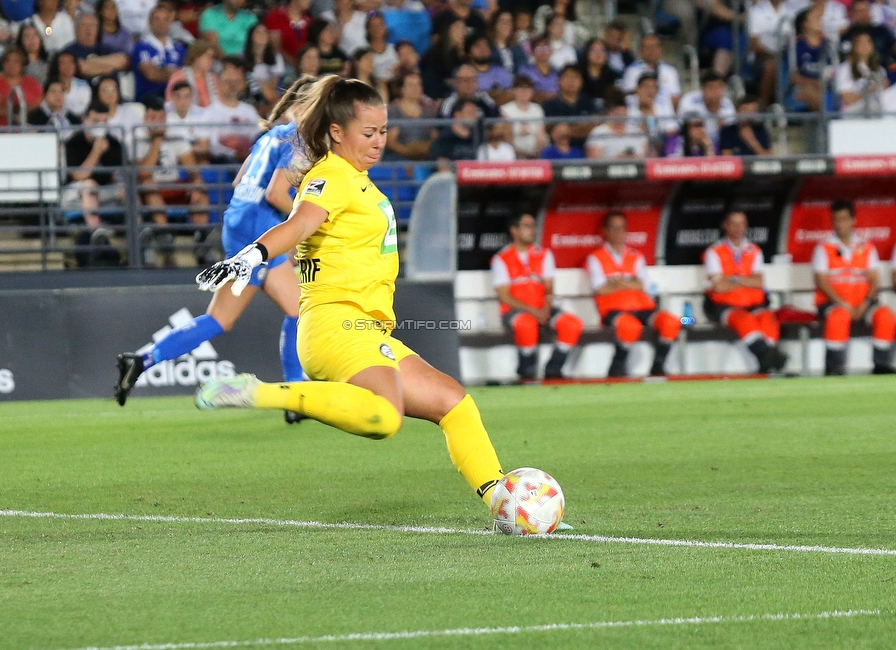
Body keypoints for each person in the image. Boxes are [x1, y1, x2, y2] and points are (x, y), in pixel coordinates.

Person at [194, 76, 510, 511]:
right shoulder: (334, 177)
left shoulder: (356, 179)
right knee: (384, 415)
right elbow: (300, 224)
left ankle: (505, 502)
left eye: (383, 131)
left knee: (454, 403)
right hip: (335, 325)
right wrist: (252, 256)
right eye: (368, 133)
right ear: (337, 132)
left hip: (366, 328)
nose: (379, 142)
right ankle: (261, 392)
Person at [116, 78, 316, 417]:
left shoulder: (271, 135)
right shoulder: (299, 140)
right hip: (258, 230)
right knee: (298, 311)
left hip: (238, 223)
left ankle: (142, 359)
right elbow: (276, 195)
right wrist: (309, 223)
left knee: (221, 318)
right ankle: (294, 397)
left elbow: (240, 181)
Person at [586, 211, 680, 377]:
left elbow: (643, 285)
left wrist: (616, 281)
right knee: (630, 327)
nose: (617, 233)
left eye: (621, 228)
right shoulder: (596, 257)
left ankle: (658, 366)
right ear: (605, 231)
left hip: (642, 306)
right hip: (613, 309)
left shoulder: (635, 255)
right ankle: (617, 367)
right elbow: (600, 288)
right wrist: (630, 282)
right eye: (613, 228)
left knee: (672, 322)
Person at [491, 213, 583, 380]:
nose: (532, 230)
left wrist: (546, 307)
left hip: (542, 308)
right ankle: (527, 372)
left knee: (572, 324)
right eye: (527, 226)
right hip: (515, 310)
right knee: (527, 324)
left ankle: (554, 370)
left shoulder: (543, 254)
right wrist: (532, 310)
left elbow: (549, 287)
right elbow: (504, 295)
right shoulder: (501, 258)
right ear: (514, 230)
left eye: (533, 226)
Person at [812, 199, 896, 375]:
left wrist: (865, 303)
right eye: (836, 219)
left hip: (863, 303)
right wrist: (844, 304)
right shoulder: (824, 247)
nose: (840, 224)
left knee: (886, 316)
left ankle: (881, 366)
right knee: (839, 317)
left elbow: (874, 280)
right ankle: (834, 368)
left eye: (843, 219)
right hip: (833, 303)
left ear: (853, 220)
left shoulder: (866, 247)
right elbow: (822, 281)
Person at [703, 210, 788, 374]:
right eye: (733, 223)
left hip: (753, 303)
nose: (738, 228)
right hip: (724, 306)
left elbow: (758, 282)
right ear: (725, 226)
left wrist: (732, 279)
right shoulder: (714, 251)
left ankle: (767, 363)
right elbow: (719, 287)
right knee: (744, 319)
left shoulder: (754, 250)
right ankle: (770, 359)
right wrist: (745, 279)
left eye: (741, 223)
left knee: (768, 318)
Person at [134, 94, 210, 263]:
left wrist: (196, 183)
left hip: (173, 184)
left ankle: (201, 239)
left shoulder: (176, 136)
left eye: (161, 117)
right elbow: (143, 173)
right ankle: (164, 234)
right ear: (145, 118)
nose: (157, 122)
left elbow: (193, 170)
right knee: (148, 185)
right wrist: (156, 142)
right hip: (151, 188)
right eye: (153, 118)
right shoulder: (136, 138)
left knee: (200, 191)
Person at [62, 99, 125, 231]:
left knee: (127, 188)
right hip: (76, 192)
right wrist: (96, 151)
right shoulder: (74, 143)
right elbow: (78, 176)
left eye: (104, 121)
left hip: (104, 190)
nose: (100, 126)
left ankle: (138, 230)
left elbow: (117, 175)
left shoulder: (114, 143)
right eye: (96, 121)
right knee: (89, 185)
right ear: (85, 120)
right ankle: (96, 231)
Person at [203, 62, 261, 163]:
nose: (232, 85)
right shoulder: (210, 112)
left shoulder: (249, 110)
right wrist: (234, 154)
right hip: (223, 161)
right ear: (219, 84)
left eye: (236, 82)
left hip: (248, 158)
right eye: (228, 81)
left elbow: (256, 137)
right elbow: (212, 145)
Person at [132, 5, 186, 100]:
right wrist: (176, 73)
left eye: (165, 19)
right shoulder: (141, 46)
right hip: (150, 96)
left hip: (176, 95)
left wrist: (162, 70)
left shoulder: (179, 48)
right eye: (157, 19)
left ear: (170, 22)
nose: (161, 23)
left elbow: (187, 73)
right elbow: (152, 74)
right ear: (150, 22)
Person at [748, 0, 793, 108]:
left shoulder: (791, 12)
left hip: (786, 56)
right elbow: (754, 45)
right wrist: (774, 55)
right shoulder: (756, 12)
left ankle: (788, 106)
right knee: (771, 65)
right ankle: (765, 105)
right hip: (762, 57)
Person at [63, 11, 130, 82]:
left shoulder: (106, 48)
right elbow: (80, 67)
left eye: (92, 26)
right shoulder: (69, 51)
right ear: (76, 29)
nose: (88, 30)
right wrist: (108, 67)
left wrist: (90, 63)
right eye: (84, 25)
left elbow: (123, 61)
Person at [677, 71, 736, 151]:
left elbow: (728, 132)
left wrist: (716, 110)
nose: (715, 91)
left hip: (717, 143)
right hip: (693, 142)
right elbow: (685, 126)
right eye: (711, 88)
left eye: (719, 87)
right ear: (703, 89)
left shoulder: (727, 104)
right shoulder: (690, 100)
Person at [384, 71, 436, 161]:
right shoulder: (393, 111)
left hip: (424, 157)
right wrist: (409, 153)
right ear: (402, 89)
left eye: (418, 85)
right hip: (398, 157)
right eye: (411, 85)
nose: (415, 88)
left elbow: (434, 136)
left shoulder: (428, 112)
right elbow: (391, 141)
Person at [620, 34, 682, 108]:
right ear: (640, 50)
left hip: (666, 115)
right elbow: (629, 98)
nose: (651, 51)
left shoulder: (670, 71)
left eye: (654, 47)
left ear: (660, 49)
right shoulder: (632, 71)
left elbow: (675, 97)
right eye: (647, 47)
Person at [626, 72, 679, 157]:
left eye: (653, 87)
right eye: (646, 87)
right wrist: (645, 113)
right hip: (636, 147)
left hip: (660, 145)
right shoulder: (629, 107)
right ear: (637, 89)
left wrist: (651, 111)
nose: (650, 91)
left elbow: (672, 130)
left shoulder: (664, 106)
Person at [585, 90, 648, 160]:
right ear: (610, 113)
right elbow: (593, 159)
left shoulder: (636, 131)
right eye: (618, 114)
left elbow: (647, 155)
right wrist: (618, 158)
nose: (620, 117)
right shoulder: (599, 132)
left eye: (623, 114)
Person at [0, 45, 43, 124]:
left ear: (22, 64)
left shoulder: (33, 83)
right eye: (8, 61)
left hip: (30, 130)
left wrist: (10, 109)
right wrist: (21, 109)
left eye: (16, 61)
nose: (11, 64)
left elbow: (40, 106)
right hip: (1, 132)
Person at [500, 73, 545, 158]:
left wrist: (537, 152)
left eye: (528, 89)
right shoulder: (505, 110)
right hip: (515, 153)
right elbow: (507, 137)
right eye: (521, 89)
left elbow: (541, 135)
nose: (524, 92)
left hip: (535, 152)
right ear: (514, 90)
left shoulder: (537, 109)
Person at [792, 8, 829, 111]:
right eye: (816, 19)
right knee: (813, 93)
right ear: (805, 24)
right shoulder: (795, 46)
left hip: (827, 86)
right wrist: (814, 83)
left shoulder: (829, 45)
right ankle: (826, 125)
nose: (820, 22)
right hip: (802, 87)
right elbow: (792, 77)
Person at [164, 39, 219, 108]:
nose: (211, 60)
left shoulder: (213, 78)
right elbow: (170, 103)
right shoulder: (179, 77)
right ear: (196, 57)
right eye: (208, 56)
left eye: (213, 57)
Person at [244, 23, 285, 108]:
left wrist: (260, 83)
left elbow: (274, 86)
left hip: (269, 95)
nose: (262, 35)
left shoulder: (276, 57)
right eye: (258, 32)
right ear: (251, 36)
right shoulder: (242, 57)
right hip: (248, 95)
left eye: (265, 32)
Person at [264, 0, 312, 67]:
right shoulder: (275, 16)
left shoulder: (309, 20)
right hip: (282, 65)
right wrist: (295, 64)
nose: (310, 1)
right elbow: (275, 47)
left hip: (305, 65)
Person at [430, 98, 478, 164]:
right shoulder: (445, 136)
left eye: (475, 113)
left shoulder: (479, 134)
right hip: (453, 172)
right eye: (470, 113)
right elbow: (442, 164)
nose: (474, 116)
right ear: (457, 115)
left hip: (476, 172)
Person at [47, 50, 91, 117]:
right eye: (63, 63)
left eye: (70, 62)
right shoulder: (51, 85)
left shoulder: (83, 85)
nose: (67, 66)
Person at [579, 38, 616, 105]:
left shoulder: (612, 76)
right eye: (594, 50)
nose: (598, 54)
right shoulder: (579, 74)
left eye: (602, 50)